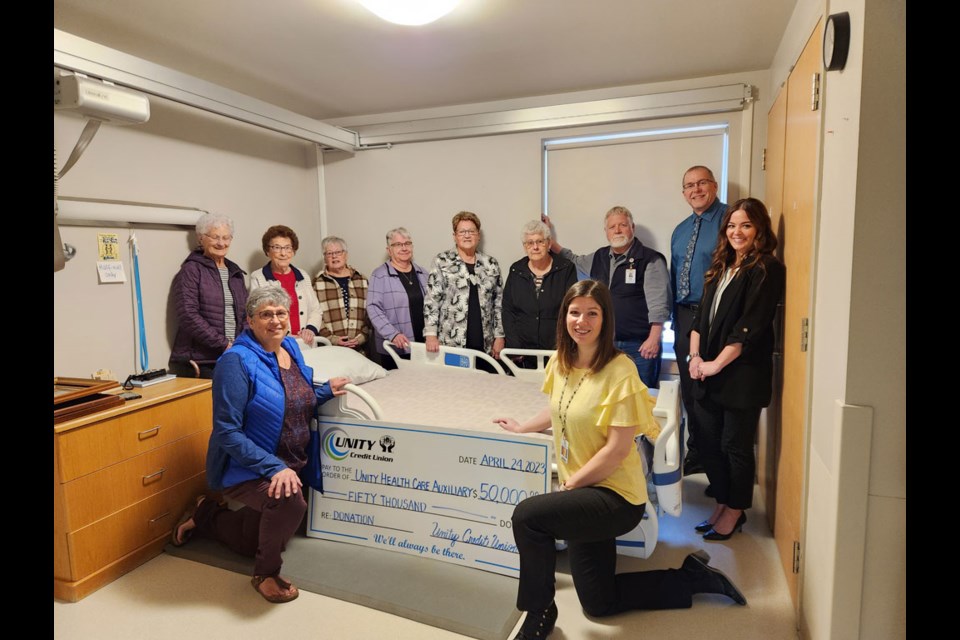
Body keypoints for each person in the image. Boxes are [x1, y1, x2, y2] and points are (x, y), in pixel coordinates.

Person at [493, 280, 746, 639]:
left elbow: (616, 449)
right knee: (599, 602)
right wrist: (522, 428)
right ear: (564, 315)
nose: (582, 321)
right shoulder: (561, 364)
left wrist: (571, 485)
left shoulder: (620, 371)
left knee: (528, 518)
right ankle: (689, 578)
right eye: (574, 312)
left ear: (605, 319)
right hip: (584, 492)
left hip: (614, 496)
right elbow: (556, 410)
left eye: (592, 313)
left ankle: (539, 613)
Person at [170, 285, 349, 603]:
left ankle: (205, 513)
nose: (275, 320)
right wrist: (274, 467)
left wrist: (323, 392)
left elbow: (293, 398)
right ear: (249, 321)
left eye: (281, 313)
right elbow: (227, 431)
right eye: (266, 314)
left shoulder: (290, 348)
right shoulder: (235, 362)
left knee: (246, 542)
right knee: (290, 503)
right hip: (246, 465)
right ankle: (265, 573)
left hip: (290, 461)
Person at [688, 197, 785, 541]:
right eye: (731, 225)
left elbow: (749, 326)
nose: (737, 232)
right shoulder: (721, 266)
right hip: (708, 371)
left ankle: (735, 509)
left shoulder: (766, 269)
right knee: (708, 442)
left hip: (741, 376)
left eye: (745, 225)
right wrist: (695, 358)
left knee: (735, 446)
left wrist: (714, 364)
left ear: (759, 229)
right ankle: (723, 500)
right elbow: (699, 319)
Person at [545, 206, 671, 388]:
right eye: (612, 227)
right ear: (606, 232)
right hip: (605, 343)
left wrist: (654, 339)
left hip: (639, 346)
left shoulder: (650, 260)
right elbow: (574, 259)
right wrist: (551, 241)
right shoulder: (599, 256)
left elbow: (659, 303)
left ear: (632, 228)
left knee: (642, 398)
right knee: (607, 396)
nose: (618, 230)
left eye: (623, 225)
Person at [671, 166, 726, 477]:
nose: (695, 189)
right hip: (683, 316)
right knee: (690, 390)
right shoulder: (680, 230)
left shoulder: (727, 221)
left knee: (713, 392)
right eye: (689, 185)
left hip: (714, 317)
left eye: (701, 182)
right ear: (683, 193)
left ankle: (717, 460)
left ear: (714, 186)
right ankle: (698, 453)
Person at [169, 212, 248, 379]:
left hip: (234, 354)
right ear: (200, 238)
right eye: (215, 237)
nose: (221, 243)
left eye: (226, 237)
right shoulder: (191, 270)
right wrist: (224, 344)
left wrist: (241, 345)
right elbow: (188, 315)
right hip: (202, 361)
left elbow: (246, 314)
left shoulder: (235, 273)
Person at [424, 211, 505, 367]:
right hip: (452, 341)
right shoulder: (442, 261)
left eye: (471, 231)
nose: (467, 236)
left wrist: (499, 336)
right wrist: (430, 334)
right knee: (455, 387)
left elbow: (499, 303)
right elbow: (432, 301)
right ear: (455, 236)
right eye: (462, 232)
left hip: (485, 342)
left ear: (478, 235)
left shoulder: (490, 264)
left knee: (484, 386)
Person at [501, 219, 577, 369]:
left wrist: (565, 346)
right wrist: (514, 346)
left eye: (540, 242)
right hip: (522, 353)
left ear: (549, 244)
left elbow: (571, 309)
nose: (535, 247)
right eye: (529, 243)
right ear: (524, 247)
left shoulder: (566, 269)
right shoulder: (516, 270)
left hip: (557, 351)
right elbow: (508, 310)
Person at [249, 225, 322, 347]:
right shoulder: (258, 277)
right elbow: (260, 314)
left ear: (293, 251)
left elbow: (315, 309)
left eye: (288, 248)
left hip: (306, 342)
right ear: (268, 251)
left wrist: (310, 330)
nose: (283, 253)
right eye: (277, 248)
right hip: (277, 342)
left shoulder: (303, 275)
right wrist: (285, 334)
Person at [367, 227, 429, 369]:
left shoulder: (423, 273)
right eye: (398, 245)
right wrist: (393, 334)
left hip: (424, 345)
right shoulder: (380, 275)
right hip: (396, 346)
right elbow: (373, 309)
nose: (404, 248)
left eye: (407, 243)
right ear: (389, 250)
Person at [314, 236, 370, 352]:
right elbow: (315, 315)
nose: (334, 256)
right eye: (329, 253)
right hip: (330, 350)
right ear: (324, 258)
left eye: (338, 252)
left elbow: (371, 313)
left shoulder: (361, 280)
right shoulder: (317, 283)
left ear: (346, 255)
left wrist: (362, 337)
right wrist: (332, 339)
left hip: (361, 349)